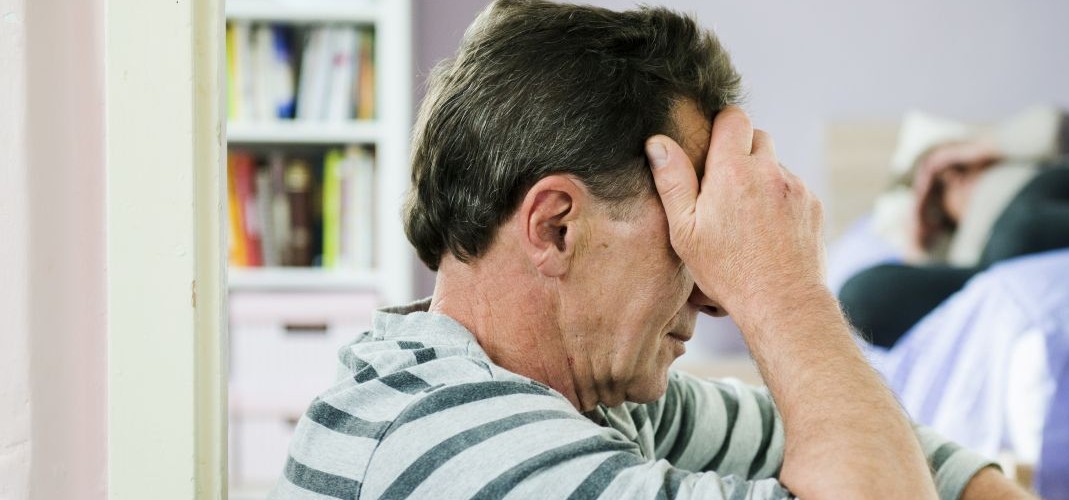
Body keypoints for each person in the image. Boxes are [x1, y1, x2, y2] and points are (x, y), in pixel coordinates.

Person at [271, 1, 1030, 499]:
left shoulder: (572, 398)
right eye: (688, 230)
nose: (713, 291)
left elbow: (894, 452)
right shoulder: (459, 448)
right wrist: (783, 286)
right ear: (556, 228)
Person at [840, 109, 1069, 348]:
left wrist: (973, 152)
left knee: (1020, 231)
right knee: (859, 296)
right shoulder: (956, 245)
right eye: (938, 188)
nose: (954, 179)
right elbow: (919, 283)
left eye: (956, 169)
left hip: (1059, 197)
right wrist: (919, 232)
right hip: (997, 256)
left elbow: (1054, 124)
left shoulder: (1018, 162)